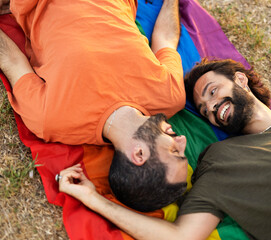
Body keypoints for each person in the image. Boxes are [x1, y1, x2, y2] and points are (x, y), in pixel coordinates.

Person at [58, 58, 271, 239]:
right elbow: (182, 236)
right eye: (205, 110)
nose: (212, 106)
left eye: (213, 91)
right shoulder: (223, 160)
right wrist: (94, 200)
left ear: (240, 79)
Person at [0, 0, 188, 211]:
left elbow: (12, 62)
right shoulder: (171, 96)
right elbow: (166, 39)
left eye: (175, 152)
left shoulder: (52, 119)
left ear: (139, 154)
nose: (182, 140)